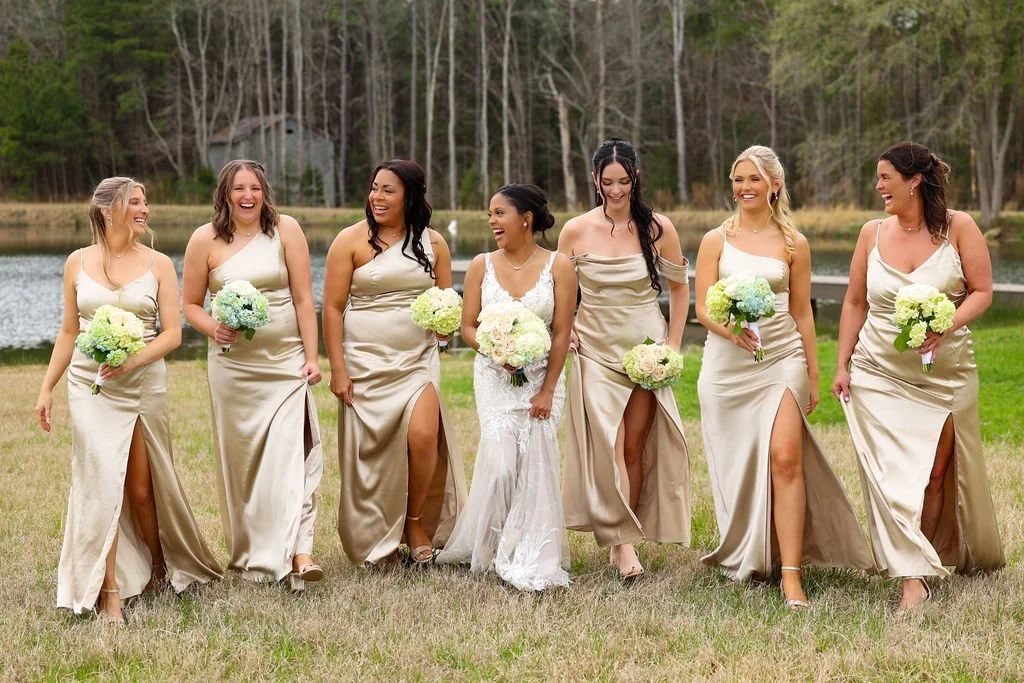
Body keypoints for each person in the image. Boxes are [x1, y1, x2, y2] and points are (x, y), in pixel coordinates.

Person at [694, 145, 873, 610]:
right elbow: (699, 309)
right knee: (740, 461)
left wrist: (813, 375)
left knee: (786, 456)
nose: (744, 188)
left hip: (782, 358)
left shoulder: (795, 243)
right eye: (738, 179)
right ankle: (751, 548)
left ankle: (791, 575)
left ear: (774, 184)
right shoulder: (717, 240)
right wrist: (729, 330)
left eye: (754, 179)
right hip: (727, 363)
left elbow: (802, 314)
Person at [35, 177, 221, 622]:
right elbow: (68, 332)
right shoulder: (75, 262)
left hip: (141, 384)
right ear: (107, 209)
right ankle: (110, 590)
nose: (144, 209)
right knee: (101, 483)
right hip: (90, 384)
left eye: (145, 202)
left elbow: (174, 334)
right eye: (134, 202)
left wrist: (133, 360)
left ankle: (159, 568)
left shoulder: (158, 264)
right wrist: (46, 387)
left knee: (140, 489)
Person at [832, 142, 1005, 613]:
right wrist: (843, 363)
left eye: (886, 177)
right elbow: (853, 302)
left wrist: (945, 323)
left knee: (934, 473)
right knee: (890, 475)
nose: (878, 186)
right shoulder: (871, 233)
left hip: (945, 374)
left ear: (914, 181)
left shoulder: (958, 227)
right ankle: (912, 579)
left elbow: (983, 291)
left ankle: (922, 556)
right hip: (878, 370)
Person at [182, 160, 324, 589]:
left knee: (293, 457)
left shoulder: (287, 230)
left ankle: (300, 552)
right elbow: (189, 305)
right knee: (244, 467)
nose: (248, 196)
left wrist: (312, 357)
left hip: (285, 363)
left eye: (255, 188)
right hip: (233, 369)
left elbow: (303, 299)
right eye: (239, 188)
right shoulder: (203, 240)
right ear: (225, 194)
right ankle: (253, 553)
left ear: (265, 193)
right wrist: (214, 327)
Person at [558, 137, 690, 582]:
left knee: (634, 446)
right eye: (607, 182)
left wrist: (671, 345)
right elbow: (557, 288)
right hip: (594, 347)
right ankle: (626, 547)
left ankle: (622, 537)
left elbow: (679, 288)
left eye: (623, 181)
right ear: (595, 179)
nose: (615, 190)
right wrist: (567, 325)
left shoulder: (658, 228)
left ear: (635, 179)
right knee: (608, 443)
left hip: (644, 349)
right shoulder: (575, 230)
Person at [323, 159, 466, 566]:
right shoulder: (349, 241)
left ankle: (415, 521)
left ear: (410, 195)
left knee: (423, 437)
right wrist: (338, 368)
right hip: (364, 361)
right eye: (374, 188)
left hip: (416, 360)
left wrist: (444, 329)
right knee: (375, 452)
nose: (377, 197)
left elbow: (445, 303)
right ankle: (375, 533)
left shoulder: (434, 243)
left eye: (388, 190)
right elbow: (332, 309)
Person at [436, 184, 576, 590]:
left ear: (525, 218)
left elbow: (563, 332)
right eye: (490, 215)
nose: (493, 222)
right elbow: (467, 326)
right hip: (494, 377)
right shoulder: (481, 264)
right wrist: (497, 350)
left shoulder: (559, 266)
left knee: (535, 462)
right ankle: (490, 547)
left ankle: (531, 550)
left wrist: (548, 389)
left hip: (541, 377)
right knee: (499, 466)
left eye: (500, 213)